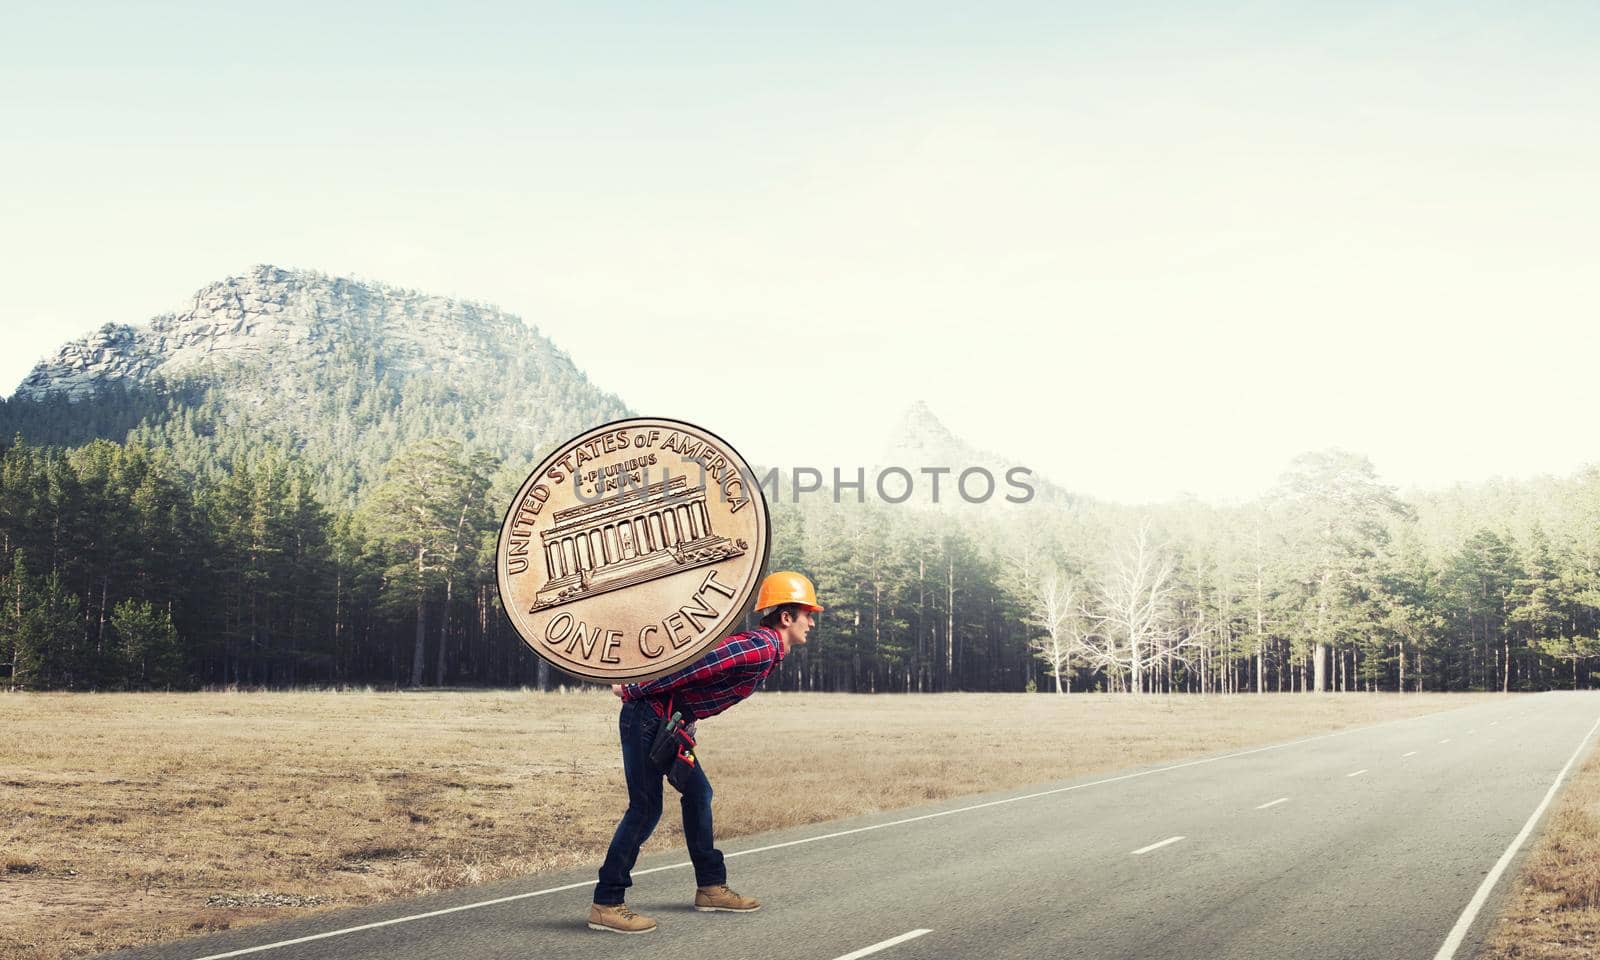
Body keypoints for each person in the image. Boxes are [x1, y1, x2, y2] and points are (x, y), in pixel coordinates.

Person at [586, 570, 822, 935]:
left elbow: (703, 683)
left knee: (699, 794)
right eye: (808, 614)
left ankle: (710, 887)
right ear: (787, 617)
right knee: (645, 808)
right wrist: (635, 688)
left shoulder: (769, 651)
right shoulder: (760, 646)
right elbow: (698, 665)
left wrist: (687, 721)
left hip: (666, 722)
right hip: (647, 715)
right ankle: (607, 902)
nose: (812, 621)